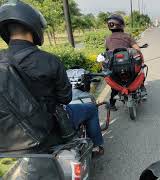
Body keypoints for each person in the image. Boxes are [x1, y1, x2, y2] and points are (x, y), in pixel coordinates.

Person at [0, 0, 104, 155]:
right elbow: (65, 98)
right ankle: (96, 146)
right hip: (48, 129)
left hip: (9, 137)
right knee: (90, 109)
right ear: (34, 27)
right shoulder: (49, 60)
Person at [104, 14, 147, 111]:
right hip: (130, 67)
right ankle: (142, 88)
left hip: (115, 68)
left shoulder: (107, 39)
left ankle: (112, 104)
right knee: (141, 71)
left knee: (114, 84)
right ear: (121, 25)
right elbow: (137, 49)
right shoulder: (127, 36)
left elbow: (107, 52)